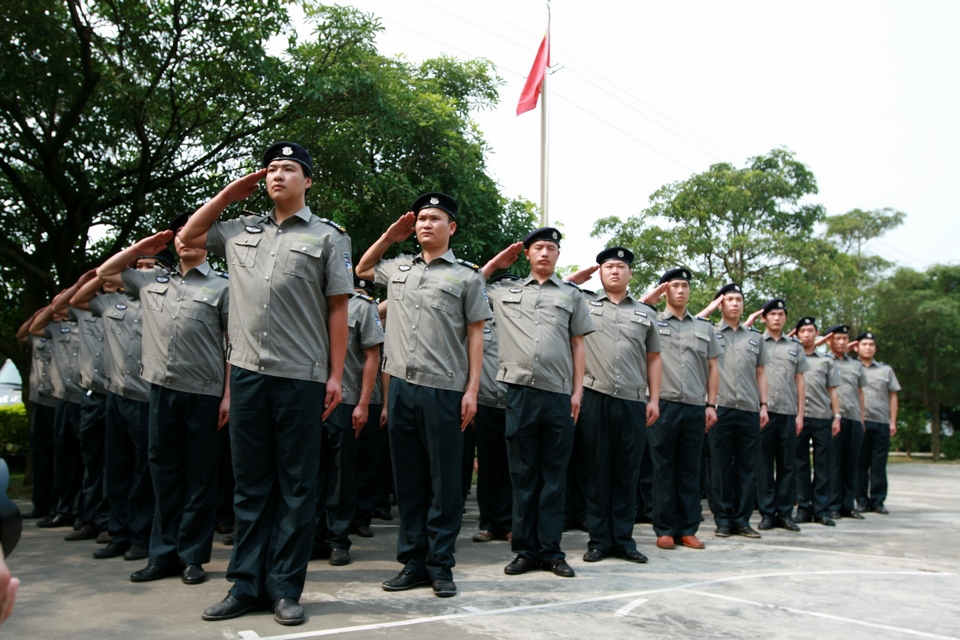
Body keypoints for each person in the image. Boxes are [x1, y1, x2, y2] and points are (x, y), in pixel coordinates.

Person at [180, 141, 353, 626]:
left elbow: (338, 308)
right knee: (250, 485)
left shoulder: (328, 237)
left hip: (302, 377)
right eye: (271, 169)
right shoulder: (239, 230)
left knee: (298, 487)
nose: (278, 175)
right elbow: (188, 237)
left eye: (289, 169)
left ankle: (284, 588)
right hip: (248, 373)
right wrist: (226, 197)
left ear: (308, 180)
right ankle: (245, 585)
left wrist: (336, 375)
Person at [355, 192, 489, 598]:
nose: (426, 224)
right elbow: (362, 268)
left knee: (446, 482)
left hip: (446, 389)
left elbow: (476, 334)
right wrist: (389, 236)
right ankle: (413, 562)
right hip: (401, 386)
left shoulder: (467, 277)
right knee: (409, 481)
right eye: (421, 219)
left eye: (435, 218)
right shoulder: (398, 268)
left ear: (452, 228)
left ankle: (441, 564)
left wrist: (472, 389)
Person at [96, 214, 230, 586]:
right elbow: (104, 275)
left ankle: (193, 558)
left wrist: (228, 397)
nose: (186, 240)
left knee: (200, 479)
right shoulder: (151, 280)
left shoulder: (223, 287)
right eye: (179, 235)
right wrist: (142, 248)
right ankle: (163, 555)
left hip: (205, 392)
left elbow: (234, 345)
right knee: (164, 476)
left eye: (195, 232)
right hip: (161, 390)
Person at [482, 228, 593, 578]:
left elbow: (579, 344)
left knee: (554, 476)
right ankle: (526, 551)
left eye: (551, 248)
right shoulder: (503, 290)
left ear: (558, 255)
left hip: (559, 395)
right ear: (527, 254)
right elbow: (468, 285)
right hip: (519, 393)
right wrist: (497, 263)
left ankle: (552, 551)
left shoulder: (572, 296)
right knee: (523, 474)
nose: (545, 253)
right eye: (538, 248)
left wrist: (578, 392)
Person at [567, 247, 661, 563]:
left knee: (627, 472)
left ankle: (623, 539)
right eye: (609, 266)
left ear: (630, 274)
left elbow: (654, 359)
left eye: (621, 266)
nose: (615, 271)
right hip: (595, 396)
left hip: (633, 400)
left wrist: (655, 399)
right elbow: (559, 288)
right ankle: (598, 540)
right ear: (600, 272)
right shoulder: (584, 304)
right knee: (597, 471)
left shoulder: (646, 313)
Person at [72, 255, 164, 563]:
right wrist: (101, 276)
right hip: (115, 396)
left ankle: (140, 536)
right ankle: (118, 532)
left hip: (146, 397)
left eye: (149, 266)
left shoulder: (161, 301)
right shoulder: (110, 304)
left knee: (143, 473)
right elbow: (78, 299)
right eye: (137, 267)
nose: (140, 271)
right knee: (116, 468)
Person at [640, 268, 721, 550]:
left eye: (685, 285)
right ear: (665, 290)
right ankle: (664, 529)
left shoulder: (703, 327)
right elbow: (637, 309)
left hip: (696, 406)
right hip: (663, 405)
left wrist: (711, 404)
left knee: (690, 470)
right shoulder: (652, 320)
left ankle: (688, 528)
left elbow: (713, 367)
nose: (681, 290)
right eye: (675, 285)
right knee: (662, 469)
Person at [312, 275, 383, 565]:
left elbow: (372, 356)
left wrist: (364, 403)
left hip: (346, 399)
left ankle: (337, 540)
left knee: (342, 474)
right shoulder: (309, 300)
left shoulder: (362, 306)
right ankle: (311, 538)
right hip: (306, 398)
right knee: (306, 474)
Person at [696, 283, 769, 539]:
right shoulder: (708, 332)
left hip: (749, 409)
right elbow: (692, 322)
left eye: (739, 299)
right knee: (720, 467)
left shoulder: (755, 338)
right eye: (729, 300)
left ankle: (742, 519)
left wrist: (763, 405)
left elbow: (761, 373)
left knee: (748, 467)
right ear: (720, 305)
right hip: (720, 409)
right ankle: (723, 518)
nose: (735, 304)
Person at [751, 299, 808, 532]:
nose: (777, 318)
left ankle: (785, 513)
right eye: (772, 314)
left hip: (787, 412)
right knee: (763, 465)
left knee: (787, 465)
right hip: (763, 412)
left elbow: (800, 380)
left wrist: (800, 414)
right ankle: (766, 512)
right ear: (763, 318)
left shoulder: (795, 346)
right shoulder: (755, 341)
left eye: (781, 314)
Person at [471, 275, 514, 545]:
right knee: (487, 466)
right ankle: (488, 523)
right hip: (485, 403)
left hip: (513, 404)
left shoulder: (520, 325)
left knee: (512, 467)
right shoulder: (480, 324)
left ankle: (509, 523)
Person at [793, 317, 841, 526]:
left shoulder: (826, 361)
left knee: (823, 466)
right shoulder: (791, 357)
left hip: (822, 417)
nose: (806, 334)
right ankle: (804, 508)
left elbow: (833, 391)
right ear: (796, 334)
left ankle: (821, 510)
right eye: (802, 331)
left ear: (816, 333)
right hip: (797, 418)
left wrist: (836, 416)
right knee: (800, 465)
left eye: (810, 330)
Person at [16, 310, 57, 521]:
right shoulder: (40, 333)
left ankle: (57, 506)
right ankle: (40, 505)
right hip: (40, 403)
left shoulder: (63, 331)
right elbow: (22, 334)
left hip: (59, 401)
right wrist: (40, 313)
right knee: (40, 457)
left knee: (59, 457)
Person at [824, 324, 868, 520]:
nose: (841, 342)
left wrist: (862, 418)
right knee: (834, 464)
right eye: (837, 338)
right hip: (833, 419)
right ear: (829, 340)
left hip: (853, 418)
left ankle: (848, 505)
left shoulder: (856, 365)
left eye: (844, 338)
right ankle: (833, 505)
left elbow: (860, 393)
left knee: (852, 463)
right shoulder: (824, 361)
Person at [853, 331, 901, 514]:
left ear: (875, 348)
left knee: (879, 464)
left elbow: (893, 397)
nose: (868, 347)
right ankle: (862, 501)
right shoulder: (852, 367)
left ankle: (878, 501)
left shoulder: (885, 370)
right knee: (860, 464)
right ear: (856, 347)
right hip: (859, 422)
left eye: (871, 345)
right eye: (864, 344)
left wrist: (893, 421)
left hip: (881, 422)